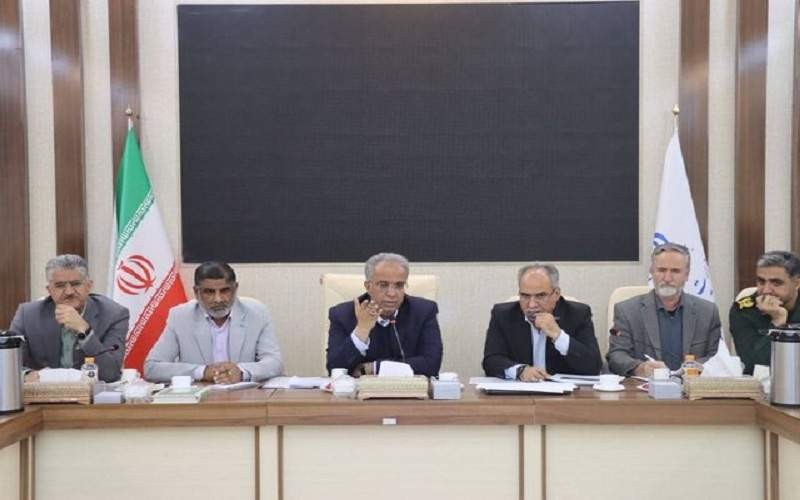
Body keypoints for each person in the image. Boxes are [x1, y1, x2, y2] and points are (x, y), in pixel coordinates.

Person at [144, 261, 283, 383]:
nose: (218, 299)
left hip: (244, 396)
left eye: (225, 291)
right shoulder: (180, 316)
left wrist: (241, 372)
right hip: (200, 398)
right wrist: (202, 372)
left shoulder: (256, 313)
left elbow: (274, 363)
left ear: (235, 289)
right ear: (196, 292)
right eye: (209, 292)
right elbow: (152, 368)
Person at [607, 242, 721, 376]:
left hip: (692, 385)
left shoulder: (708, 312)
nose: (667, 278)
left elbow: (717, 357)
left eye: (675, 271)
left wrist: (695, 368)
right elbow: (616, 355)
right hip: (646, 386)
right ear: (652, 272)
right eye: (661, 270)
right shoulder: (627, 311)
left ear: (687, 275)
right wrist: (640, 368)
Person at [9, 254, 128, 382]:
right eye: (60, 285)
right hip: (41, 392)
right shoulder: (27, 315)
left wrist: (85, 331)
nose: (69, 292)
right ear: (49, 290)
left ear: (89, 286)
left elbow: (111, 373)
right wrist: (26, 375)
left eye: (76, 284)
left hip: (92, 393)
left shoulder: (114, 314)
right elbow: (8, 366)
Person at [326, 252, 443, 377]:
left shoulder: (424, 312)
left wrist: (374, 368)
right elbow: (335, 368)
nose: (392, 294)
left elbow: (431, 365)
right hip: (361, 389)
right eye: (383, 285)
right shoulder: (342, 315)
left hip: (409, 389)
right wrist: (361, 330)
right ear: (368, 286)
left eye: (399, 285)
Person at [482, 263, 602, 381]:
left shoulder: (578, 314)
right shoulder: (503, 315)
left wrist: (558, 335)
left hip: (564, 392)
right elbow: (491, 361)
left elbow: (593, 367)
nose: (531, 305)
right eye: (525, 296)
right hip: (520, 390)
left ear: (556, 294)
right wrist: (520, 371)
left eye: (540, 296)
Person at [730, 251, 800, 375]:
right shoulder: (744, 310)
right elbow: (753, 364)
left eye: (776, 283)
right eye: (761, 282)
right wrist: (777, 323)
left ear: (797, 283)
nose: (766, 290)